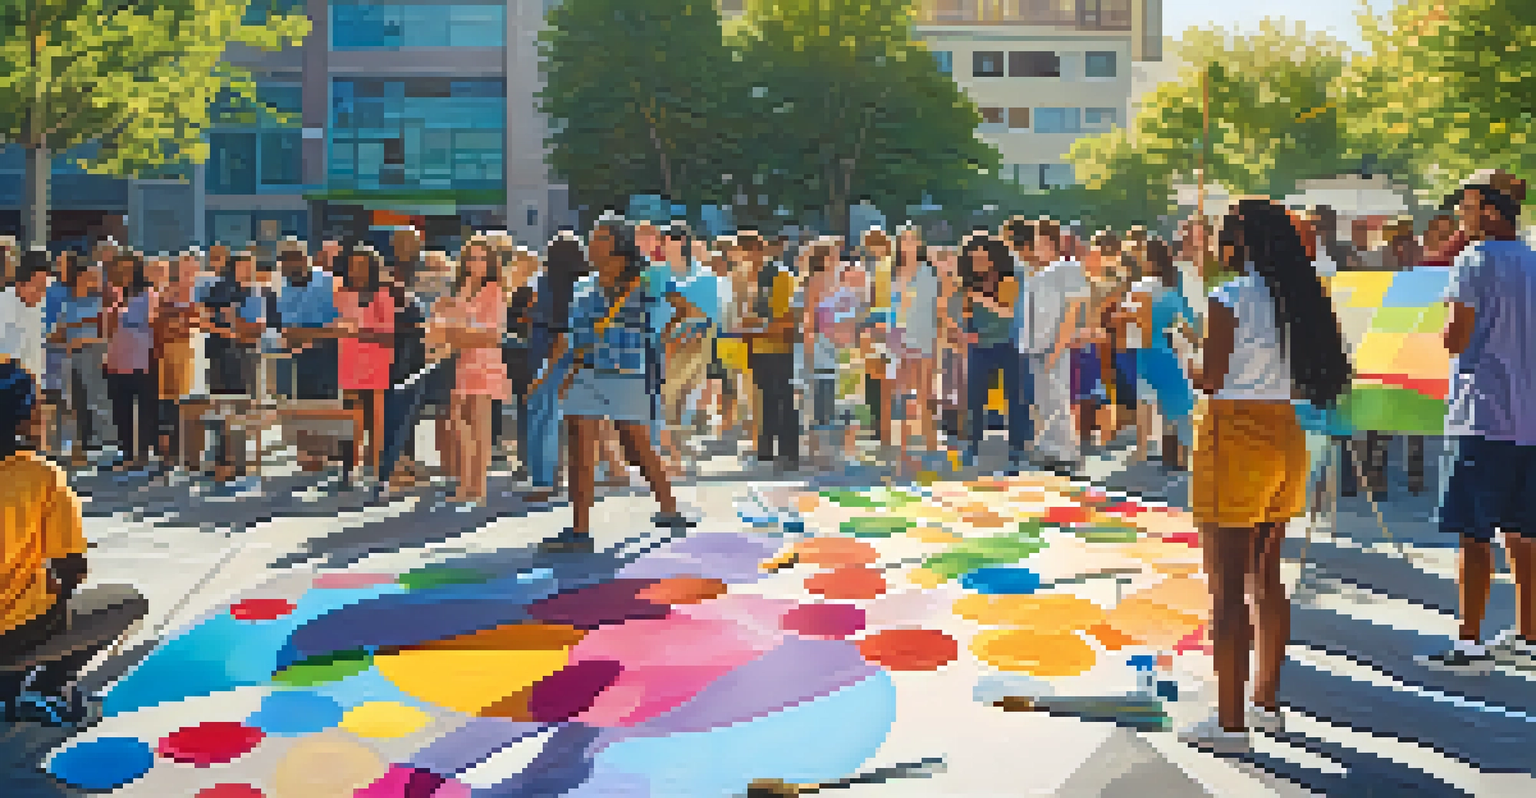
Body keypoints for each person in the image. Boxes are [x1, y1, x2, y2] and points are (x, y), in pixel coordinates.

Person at [1180, 198, 1352, 753]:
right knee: (1266, 578)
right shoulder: (1301, 296)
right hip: (1287, 433)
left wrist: (1186, 352)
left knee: (1227, 589)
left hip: (1235, 436)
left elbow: (1210, 378)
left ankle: (1229, 725)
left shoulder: (1228, 297)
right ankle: (1265, 704)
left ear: (1239, 243)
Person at [1418, 169, 1536, 674]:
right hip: (1529, 416)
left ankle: (1469, 642)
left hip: (1482, 413)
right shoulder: (1533, 261)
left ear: (1490, 209)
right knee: (1524, 533)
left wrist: (1443, 322)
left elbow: (1455, 338)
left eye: (1465, 207)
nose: (1459, 217)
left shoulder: (1473, 260)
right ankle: (1529, 635)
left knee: (1473, 532)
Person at [537, 221, 687, 552]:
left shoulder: (648, 278)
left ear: (619, 244)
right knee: (579, 449)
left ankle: (670, 509)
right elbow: (571, 335)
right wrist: (554, 372)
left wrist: (661, 340)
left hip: (628, 373)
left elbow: (685, 310)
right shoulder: (583, 285)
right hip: (587, 372)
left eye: (601, 239)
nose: (592, 245)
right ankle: (579, 529)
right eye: (591, 239)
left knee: (635, 447)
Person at [0, 359, 95, 717]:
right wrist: (53, 593)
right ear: (25, 418)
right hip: (15, 629)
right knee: (125, 604)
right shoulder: (42, 475)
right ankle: (45, 685)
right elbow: (73, 569)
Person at [429, 237, 510, 509]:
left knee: (479, 424)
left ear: (490, 263)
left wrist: (454, 330)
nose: (476, 264)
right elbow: (450, 322)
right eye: (472, 258)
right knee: (459, 421)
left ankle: (477, 487)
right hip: (463, 358)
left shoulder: (494, 290)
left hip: (484, 360)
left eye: (482, 258)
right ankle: (466, 484)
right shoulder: (462, 289)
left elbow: (491, 331)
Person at [1023, 219, 1088, 473]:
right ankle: (1050, 449)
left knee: (1058, 398)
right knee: (1044, 400)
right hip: (1036, 344)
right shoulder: (1037, 274)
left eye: (1040, 242)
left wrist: (1059, 346)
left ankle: (1066, 453)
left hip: (1054, 343)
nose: (1037, 247)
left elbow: (1071, 311)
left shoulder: (1068, 268)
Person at [958, 234, 1026, 467]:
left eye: (981, 258)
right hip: (980, 346)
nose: (977, 263)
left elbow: (1009, 313)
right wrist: (965, 332)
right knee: (975, 399)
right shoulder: (969, 282)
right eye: (973, 258)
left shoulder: (1009, 279)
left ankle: (1016, 448)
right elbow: (967, 313)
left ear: (993, 258)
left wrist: (981, 298)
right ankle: (972, 445)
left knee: (1014, 398)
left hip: (1008, 345)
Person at [335, 244, 397, 485]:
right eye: (352, 265)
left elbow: (388, 335)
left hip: (376, 364)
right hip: (349, 362)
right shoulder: (341, 293)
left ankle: (379, 469)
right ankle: (349, 469)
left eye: (361, 265)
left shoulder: (383, 295)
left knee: (375, 419)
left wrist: (358, 332)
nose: (356, 270)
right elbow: (337, 325)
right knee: (350, 418)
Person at [743, 230, 802, 471]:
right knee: (765, 399)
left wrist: (755, 326)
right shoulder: (755, 278)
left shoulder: (781, 276)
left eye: (750, 251)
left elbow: (787, 318)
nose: (747, 258)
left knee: (783, 400)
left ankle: (788, 453)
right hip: (760, 347)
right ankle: (766, 449)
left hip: (780, 348)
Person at [48, 253, 110, 468]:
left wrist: (83, 338)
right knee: (74, 402)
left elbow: (107, 333)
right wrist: (64, 338)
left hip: (92, 354)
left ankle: (103, 445)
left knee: (96, 399)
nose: (94, 281)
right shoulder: (68, 301)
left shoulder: (99, 302)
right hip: (69, 357)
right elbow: (56, 331)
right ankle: (79, 446)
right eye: (89, 277)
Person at [102, 252, 159, 472]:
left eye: (128, 267)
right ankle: (125, 453)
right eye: (119, 268)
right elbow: (108, 329)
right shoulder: (114, 296)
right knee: (121, 409)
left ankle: (143, 454)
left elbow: (153, 323)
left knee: (144, 408)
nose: (123, 272)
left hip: (142, 360)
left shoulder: (148, 295)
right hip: (117, 360)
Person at [891, 225, 941, 469]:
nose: (908, 244)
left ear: (919, 244)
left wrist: (937, 339)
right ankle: (902, 447)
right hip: (898, 337)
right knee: (901, 393)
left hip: (924, 335)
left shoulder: (927, 272)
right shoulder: (893, 272)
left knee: (924, 393)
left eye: (912, 240)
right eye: (904, 240)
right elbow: (887, 306)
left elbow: (935, 308)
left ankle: (930, 443)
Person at [0, 251, 51, 429]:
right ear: (21, 283)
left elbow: (36, 350)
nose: (41, 294)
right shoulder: (3, 305)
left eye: (44, 288)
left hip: (26, 388)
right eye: (37, 287)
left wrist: (38, 391)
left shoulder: (39, 308)